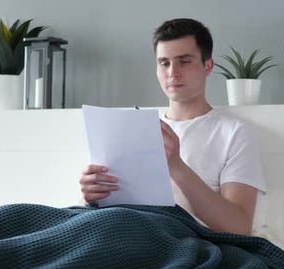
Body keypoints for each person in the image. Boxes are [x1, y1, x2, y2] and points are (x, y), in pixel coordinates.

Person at [79, 18, 266, 235]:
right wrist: (90, 196)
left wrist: (176, 166)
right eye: (164, 63)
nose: (172, 73)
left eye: (184, 61)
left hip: (175, 238)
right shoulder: (131, 128)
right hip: (118, 227)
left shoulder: (234, 132)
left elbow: (238, 228)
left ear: (208, 66)